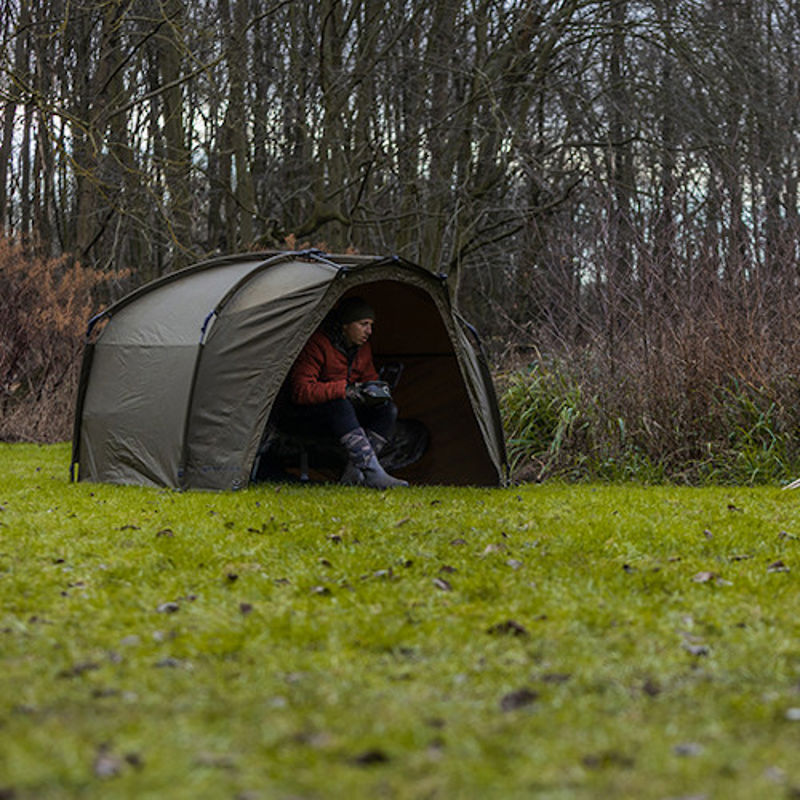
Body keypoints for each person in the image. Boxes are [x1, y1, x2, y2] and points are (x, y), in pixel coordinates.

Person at [289, 296, 408, 488]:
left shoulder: (362, 348)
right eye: (363, 324)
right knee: (339, 402)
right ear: (345, 325)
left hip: (343, 414)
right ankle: (372, 472)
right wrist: (345, 390)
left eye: (371, 325)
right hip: (307, 415)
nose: (369, 331)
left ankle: (355, 474)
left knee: (388, 410)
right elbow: (300, 390)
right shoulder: (318, 344)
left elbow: (369, 378)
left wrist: (375, 392)